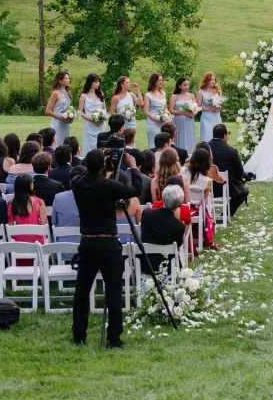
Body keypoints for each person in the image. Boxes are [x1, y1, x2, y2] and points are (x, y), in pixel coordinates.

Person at [71, 149, 139, 347]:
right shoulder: (109, 185)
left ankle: (79, 335)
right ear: (103, 166)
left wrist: (98, 157)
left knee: (82, 291)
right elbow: (135, 190)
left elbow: (79, 174)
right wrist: (133, 166)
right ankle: (114, 337)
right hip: (108, 242)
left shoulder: (78, 184)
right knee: (114, 291)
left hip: (88, 241)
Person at [139, 183, 187, 275]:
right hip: (167, 266)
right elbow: (178, 244)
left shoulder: (147, 213)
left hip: (146, 264)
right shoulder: (179, 226)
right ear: (180, 204)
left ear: (163, 199)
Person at [209, 124, 248, 217]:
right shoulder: (232, 151)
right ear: (225, 136)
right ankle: (225, 215)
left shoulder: (203, 148)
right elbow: (240, 172)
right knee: (244, 192)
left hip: (205, 187)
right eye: (228, 133)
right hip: (225, 187)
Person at [7, 174, 47, 261]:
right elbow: (44, 225)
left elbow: (10, 226)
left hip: (19, 244)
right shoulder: (39, 202)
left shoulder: (11, 203)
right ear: (30, 186)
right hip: (36, 242)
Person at [50, 166, 87, 238]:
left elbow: (53, 222)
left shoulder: (58, 197)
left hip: (61, 244)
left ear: (70, 181)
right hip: (85, 243)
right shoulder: (92, 199)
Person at [77, 73, 107, 152]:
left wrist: (101, 117)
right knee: (89, 146)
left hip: (100, 124)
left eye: (98, 82)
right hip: (89, 125)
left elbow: (104, 108)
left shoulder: (101, 94)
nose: (98, 84)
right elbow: (80, 112)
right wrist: (92, 119)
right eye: (96, 82)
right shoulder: (83, 96)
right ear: (90, 82)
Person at [169, 76, 197, 152]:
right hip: (179, 119)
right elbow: (171, 110)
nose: (187, 87)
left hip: (189, 120)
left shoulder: (191, 96)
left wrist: (193, 113)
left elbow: (196, 108)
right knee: (179, 136)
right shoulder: (174, 96)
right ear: (179, 86)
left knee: (189, 136)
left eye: (188, 85)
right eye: (184, 85)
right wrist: (183, 113)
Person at [196, 72, 224, 148]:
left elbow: (220, 103)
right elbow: (198, 107)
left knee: (218, 137)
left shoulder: (217, 90)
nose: (213, 81)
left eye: (214, 80)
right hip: (206, 119)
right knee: (206, 138)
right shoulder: (201, 92)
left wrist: (218, 107)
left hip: (216, 117)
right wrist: (210, 108)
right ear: (206, 80)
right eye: (211, 80)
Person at [46, 70, 73, 148]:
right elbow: (48, 111)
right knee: (57, 143)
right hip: (57, 122)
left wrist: (70, 116)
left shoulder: (68, 93)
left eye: (69, 78)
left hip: (65, 123)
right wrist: (62, 117)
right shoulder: (55, 93)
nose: (68, 80)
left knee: (65, 143)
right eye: (66, 79)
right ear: (60, 80)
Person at [143, 73, 167, 150]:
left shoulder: (163, 93)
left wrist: (167, 118)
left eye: (162, 80)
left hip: (163, 122)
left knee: (164, 143)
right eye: (159, 80)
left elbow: (165, 108)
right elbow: (146, 111)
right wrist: (157, 120)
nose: (161, 82)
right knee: (153, 143)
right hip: (153, 123)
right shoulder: (148, 95)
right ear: (154, 81)